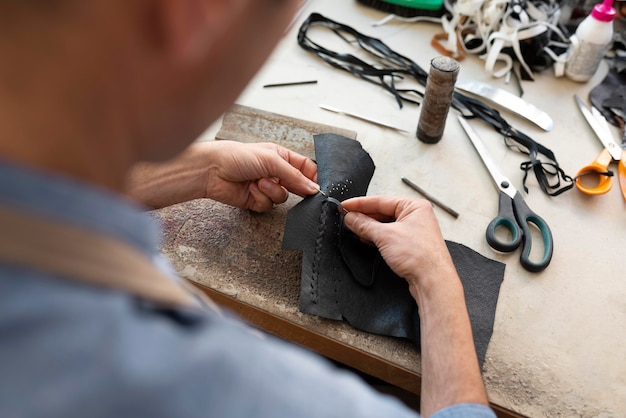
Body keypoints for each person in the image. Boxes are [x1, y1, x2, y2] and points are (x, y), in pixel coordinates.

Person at [0, 1, 494, 417]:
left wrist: (194, 171)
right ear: (199, 14)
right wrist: (437, 284)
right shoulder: (213, 386)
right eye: (279, 24)